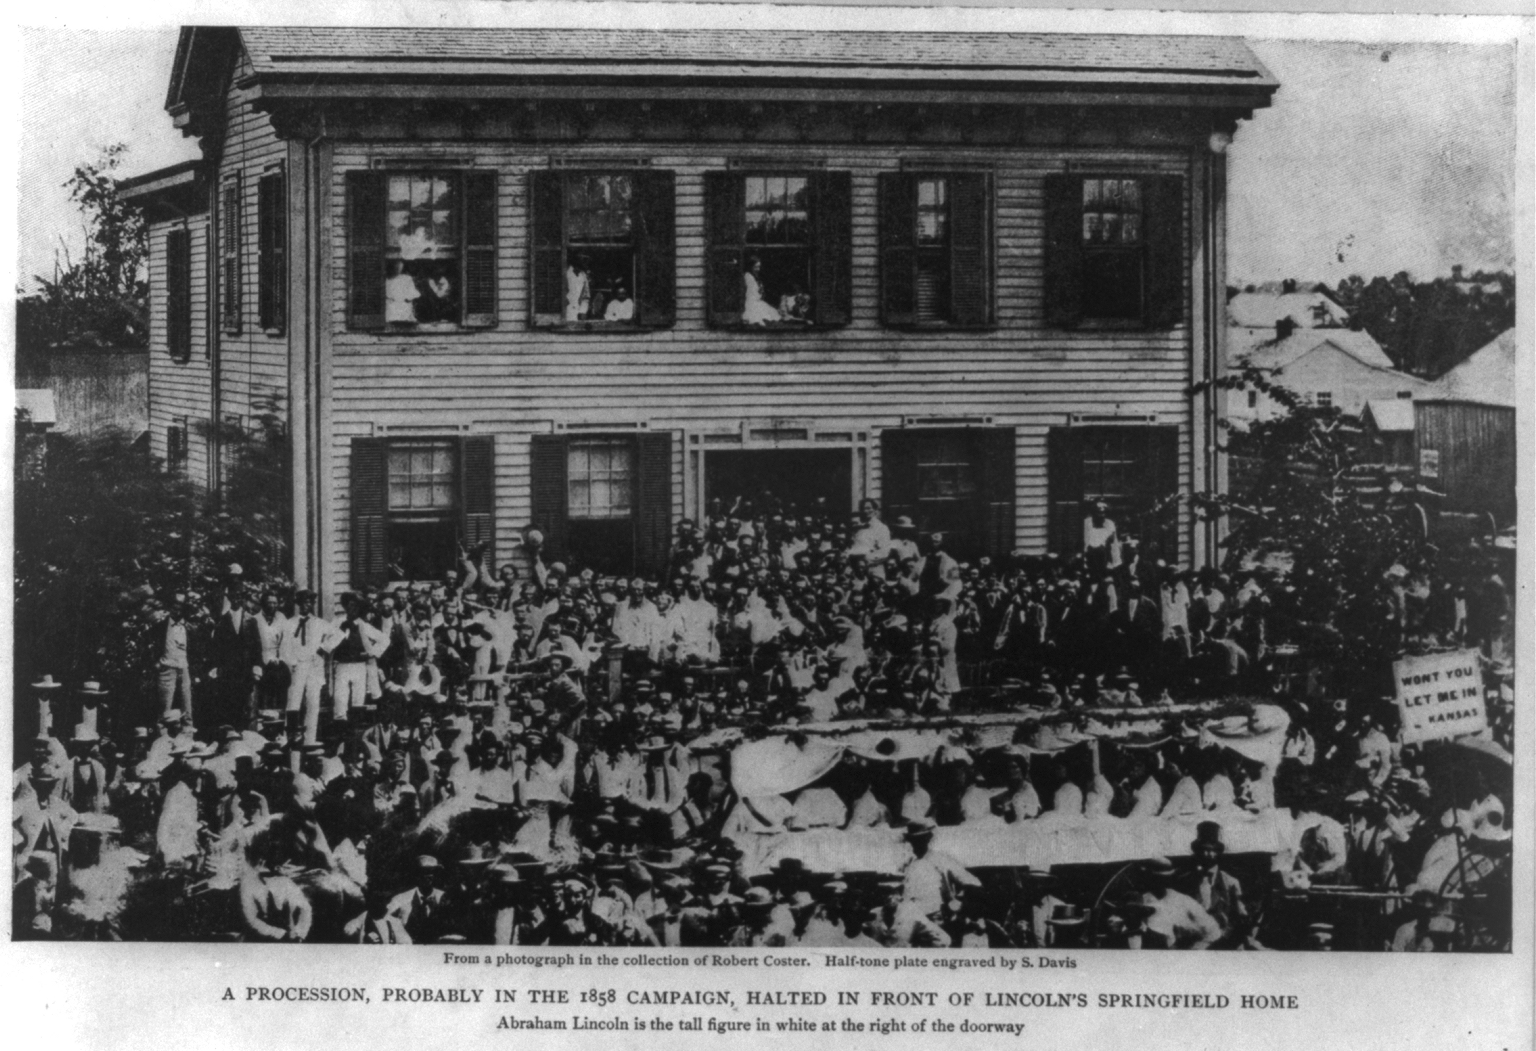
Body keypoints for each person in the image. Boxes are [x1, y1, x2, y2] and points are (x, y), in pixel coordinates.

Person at [1082, 501, 1119, 578]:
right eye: (1098, 512)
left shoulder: (1109, 524)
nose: (1101, 515)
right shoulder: (1087, 523)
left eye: (1104, 512)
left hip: (1104, 560)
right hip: (1089, 558)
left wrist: (1114, 562)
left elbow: (1113, 544)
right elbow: (1084, 541)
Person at [741, 256, 780, 325]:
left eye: (759, 267)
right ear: (750, 266)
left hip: (757, 301)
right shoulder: (748, 276)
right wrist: (759, 292)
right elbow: (751, 292)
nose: (758, 269)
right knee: (759, 317)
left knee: (773, 314)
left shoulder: (755, 276)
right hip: (751, 302)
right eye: (756, 267)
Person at [385, 259, 420, 324]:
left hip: (404, 307)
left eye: (400, 268)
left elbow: (413, 293)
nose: (398, 270)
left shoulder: (406, 278)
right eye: (396, 268)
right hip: (391, 308)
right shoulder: (386, 280)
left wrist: (408, 298)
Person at [565, 253, 592, 321]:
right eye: (583, 260)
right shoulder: (565, 273)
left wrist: (583, 311)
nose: (586, 263)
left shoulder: (583, 276)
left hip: (577, 312)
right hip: (565, 311)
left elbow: (586, 296)